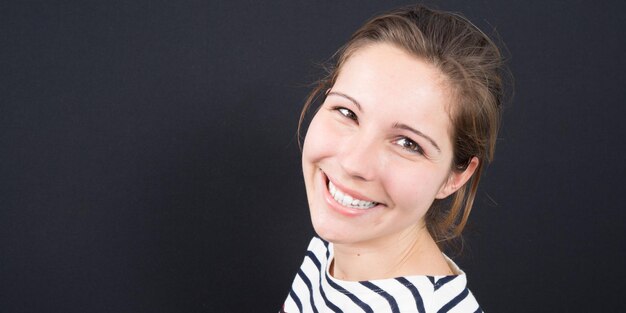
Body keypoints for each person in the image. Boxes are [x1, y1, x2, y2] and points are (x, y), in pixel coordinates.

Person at [282, 4, 506, 312]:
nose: (353, 164)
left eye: (408, 143)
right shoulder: (331, 247)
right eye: (347, 112)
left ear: (456, 177)